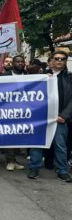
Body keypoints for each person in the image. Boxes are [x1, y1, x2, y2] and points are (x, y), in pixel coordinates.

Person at [28, 50, 72, 182]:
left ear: (65, 61)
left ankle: (62, 171)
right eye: (57, 58)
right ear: (51, 61)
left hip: (60, 118)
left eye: (62, 59)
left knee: (60, 145)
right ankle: (34, 168)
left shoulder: (70, 78)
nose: (59, 61)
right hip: (41, 117)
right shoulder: (41, 77)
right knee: (37, 144)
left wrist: (64, 115)